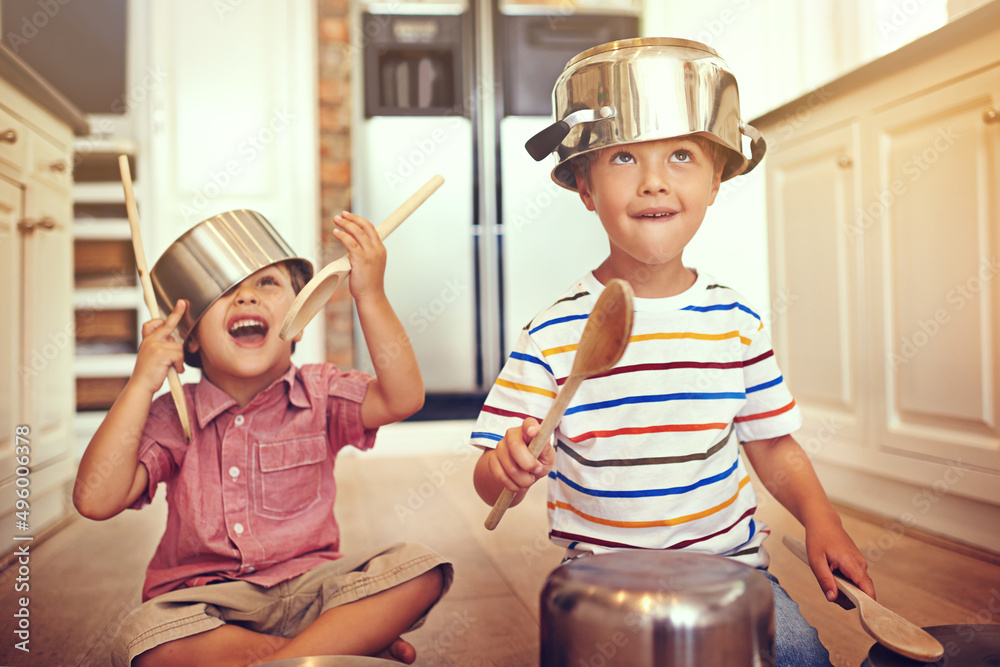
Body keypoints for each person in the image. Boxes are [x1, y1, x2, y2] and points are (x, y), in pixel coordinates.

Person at [470, 38, 874, 667]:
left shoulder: (736, 321)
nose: (654, 181)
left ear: (717, 179)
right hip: (601, 589)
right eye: (625, 156)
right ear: (583, 183)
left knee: (800, 660)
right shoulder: (551, 333)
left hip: (731, 579)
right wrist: (507, 468)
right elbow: (489, 473)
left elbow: (771, 443)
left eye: (681, 155)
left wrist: (822, 520)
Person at [74, 209, 451, 667]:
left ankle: (306, 654)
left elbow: (403, 398)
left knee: (419, 568)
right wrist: (139, 384)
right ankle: (335, 651)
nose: (246, 298)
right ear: (188, 338)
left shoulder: (321, 392)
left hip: (315, 592)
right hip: (208, 606)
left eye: (265, 284)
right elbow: (95, 500)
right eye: (224, 291)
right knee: (143, 637)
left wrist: (369, 294)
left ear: (302, 315)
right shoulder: (173, 414)